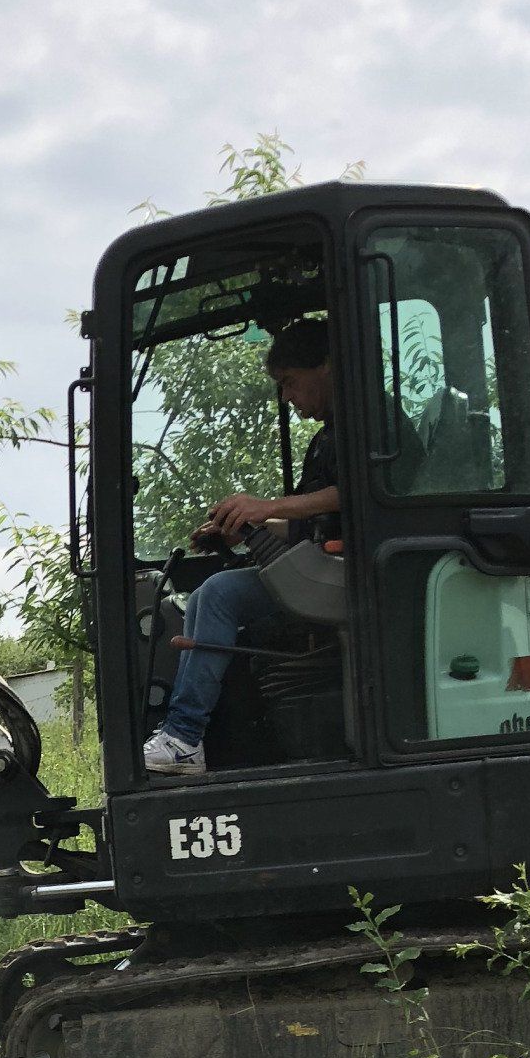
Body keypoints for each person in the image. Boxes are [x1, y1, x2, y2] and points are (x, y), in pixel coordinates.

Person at [141, 318, 340, 779]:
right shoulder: (327, 438)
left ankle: (184, 737)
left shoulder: (369, 425)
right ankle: (182, 735)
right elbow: (314, 520)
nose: (286, 397)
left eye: (290, 381)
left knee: (220, 594)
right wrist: (247, 528)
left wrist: (268, 507)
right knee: (208, 593)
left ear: (327, 366)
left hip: (355, 572)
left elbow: (359, 494)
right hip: (324, 565)